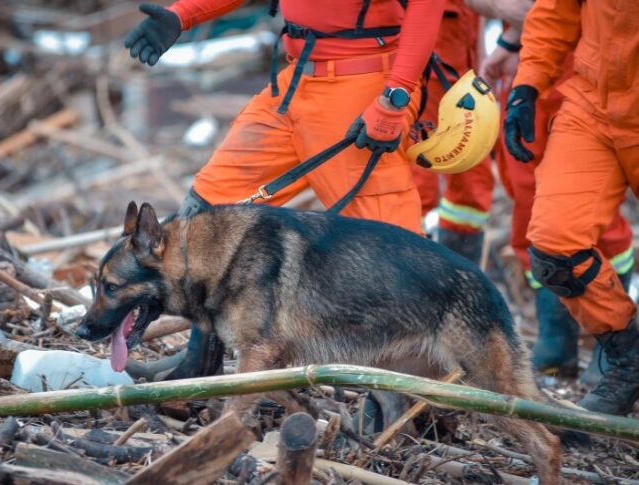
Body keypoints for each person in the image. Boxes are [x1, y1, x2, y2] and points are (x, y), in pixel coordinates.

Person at [123, 0, 446, 379]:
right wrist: (183, 15)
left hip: (360, 89)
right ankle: (198, 364)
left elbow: (428, 6)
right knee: (207, 211)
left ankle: (406, 403)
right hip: (294, 82)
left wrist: (395, 98)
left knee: (395, 253)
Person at [467, 0, 635, 383]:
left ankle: (609, 349)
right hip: (568, 70)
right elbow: (550, 8)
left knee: (597, 220)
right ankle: (567, 340)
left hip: (590, 66)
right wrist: (513, 44)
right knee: (538, 208)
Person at [410, 0, 494, 265]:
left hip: (462, 70)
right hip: (423, 70)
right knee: (417, 179)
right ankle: (415, 263)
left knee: (472, 183)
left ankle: (460, 274)